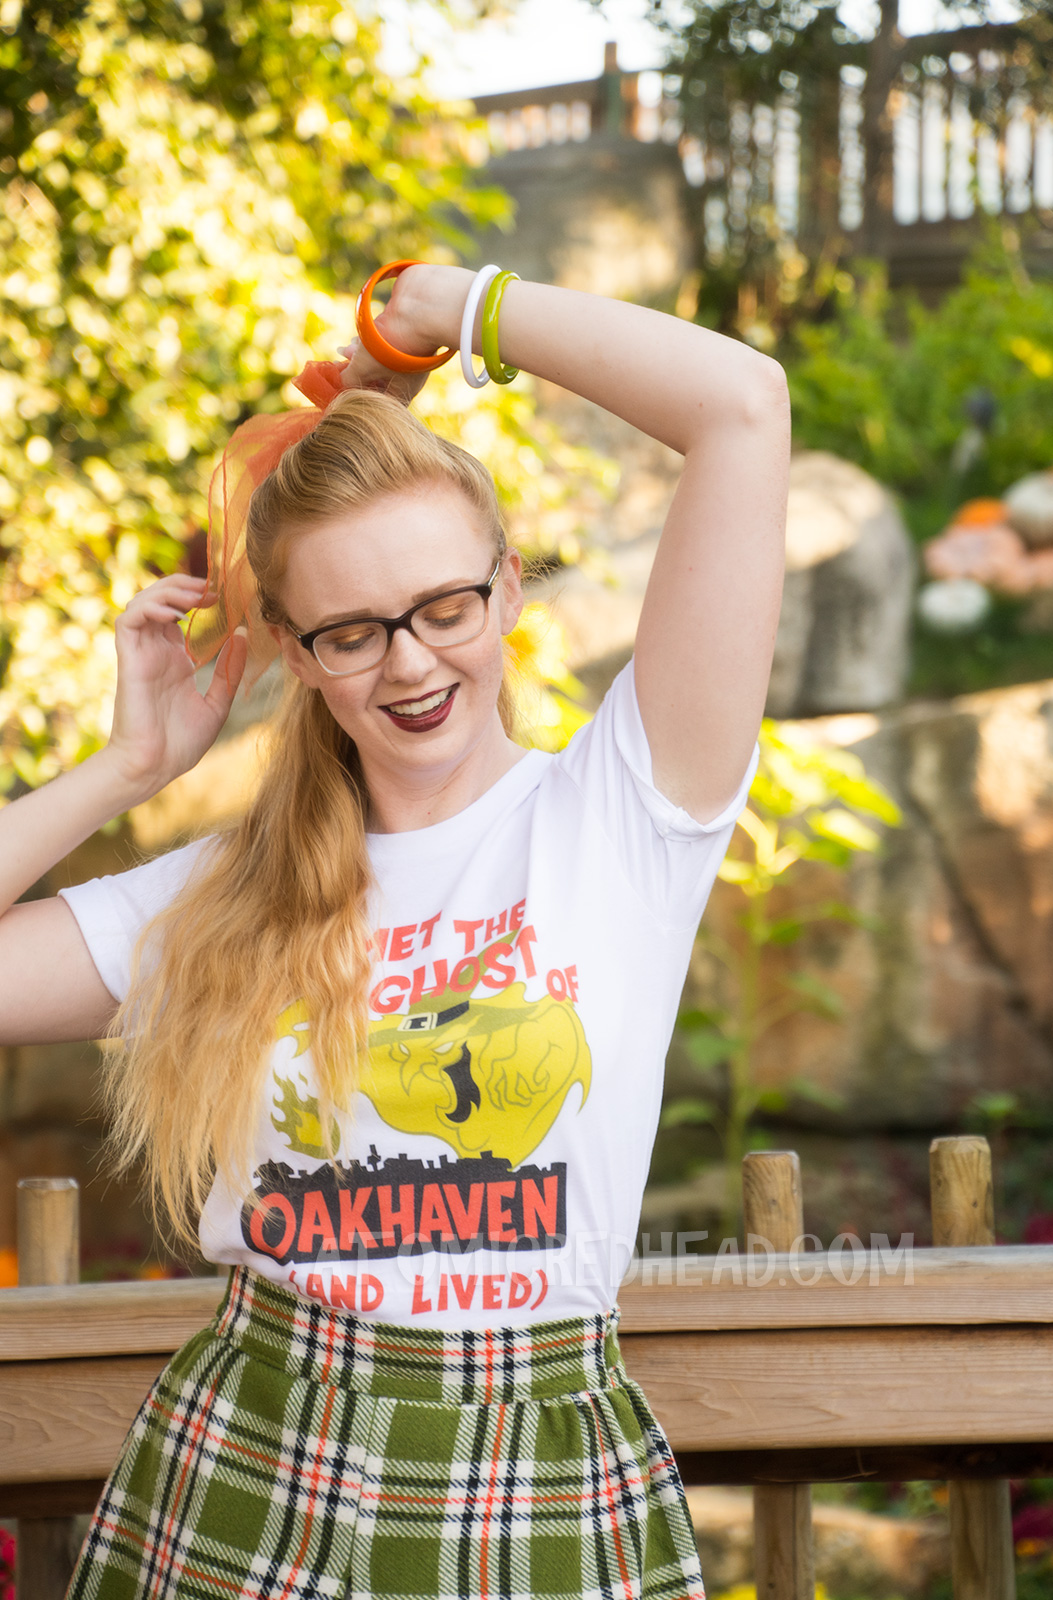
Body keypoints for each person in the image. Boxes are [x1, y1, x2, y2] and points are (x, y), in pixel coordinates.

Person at [0, 264, 788, 1599]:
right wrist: (128, 767)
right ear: (299, 658)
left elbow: (742, 405)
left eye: (445, 609)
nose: (413, 666)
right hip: (250, 1469)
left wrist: (442, 304)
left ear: (508, 590)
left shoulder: (624, 813)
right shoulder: (221, 893)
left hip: (537, 1471)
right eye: (354, 634)